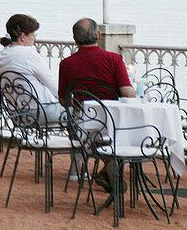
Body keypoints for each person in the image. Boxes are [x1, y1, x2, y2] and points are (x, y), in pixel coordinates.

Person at [57, 17, 135, 194]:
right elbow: (127, 93)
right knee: (136, 128)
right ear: (99, 35)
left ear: (75, 39)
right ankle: (114, 166)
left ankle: (108, 169)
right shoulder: (114, 59)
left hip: (82, 126)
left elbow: (63, 100)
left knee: (90, 126)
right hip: (113, 124)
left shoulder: (66, 64)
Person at [0, 13, 64, 125]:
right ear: (23, 36)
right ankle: (79, 142)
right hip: (41, 112)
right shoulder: (29, 54)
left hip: (16, 114)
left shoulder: (0, 56)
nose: (34, 38)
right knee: (83, 112)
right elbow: (53, 86)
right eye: (33, 35)